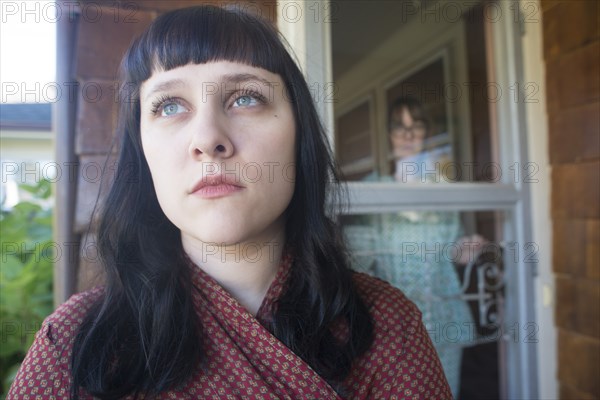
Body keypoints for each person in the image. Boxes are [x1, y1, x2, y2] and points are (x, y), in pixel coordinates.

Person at [8, 6, 452, 400]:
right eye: (168, 106)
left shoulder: (389, 330)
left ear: (299, 136)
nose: (207, 139)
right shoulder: (72, 345)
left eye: (246, 98)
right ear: (141, 152)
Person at [344, 97, 486, 397]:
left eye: (416, 126)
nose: (408, 136)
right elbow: (361, 262)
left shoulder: (441, 189)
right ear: (388, 136)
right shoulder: (374, 190)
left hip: (444, 320)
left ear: (427, 133)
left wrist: (465, 251)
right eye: (400, 127)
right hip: (394, 326)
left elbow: (451, 249)